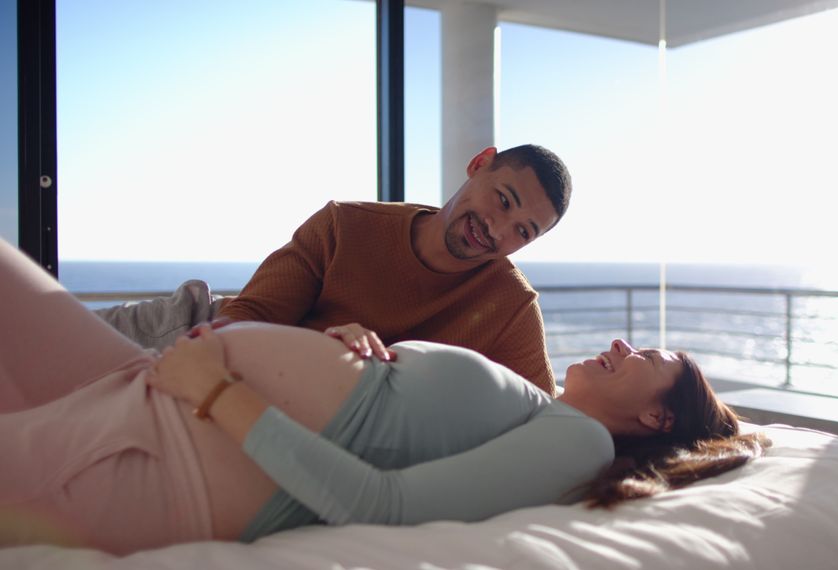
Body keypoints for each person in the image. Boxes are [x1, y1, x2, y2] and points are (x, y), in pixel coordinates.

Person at [0, 237, 769, 555]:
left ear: (658, 416)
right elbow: (387, 418)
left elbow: (382, 501)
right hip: (157, 387)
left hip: (169, 447)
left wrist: (221, 390)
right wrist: (357, 349)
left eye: (646, 358)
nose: (620, 345)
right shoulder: (539, 411)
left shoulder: (584, 443)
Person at [94, 144, 573, 394]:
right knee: (32, 337)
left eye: (523, 232)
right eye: (503, 200)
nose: (496, 228)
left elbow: (544, 416)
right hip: (196, 326)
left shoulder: (510, 307)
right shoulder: (345, 224)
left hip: (278, 397)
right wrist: (325, 353)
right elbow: (243, 320)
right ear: (478, 164)